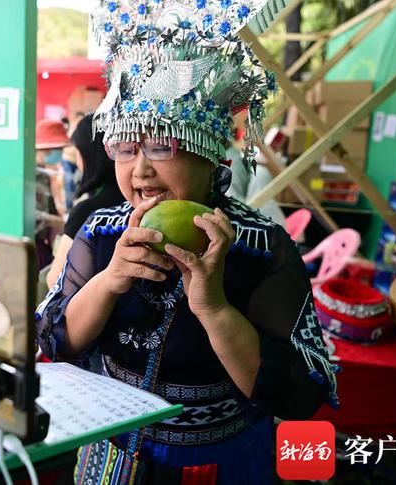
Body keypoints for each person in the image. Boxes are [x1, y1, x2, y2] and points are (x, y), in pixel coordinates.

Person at [37, 2, 338, 483]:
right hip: (111, 457)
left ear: (209, 156)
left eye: (162, 147)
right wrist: (111, 280)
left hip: (221, 462)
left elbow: (297, 394)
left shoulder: (261, 247)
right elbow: (56, 340)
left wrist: (215, 309)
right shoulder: (101, 231)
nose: (140, 170)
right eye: (126, 149)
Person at [46, 114, 125, 288]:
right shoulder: (133, 200)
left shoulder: (88, 211)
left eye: (79, 152)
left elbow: (56, 281)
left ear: (91, 155)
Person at [35, 119, 70, 269]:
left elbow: (49, 206)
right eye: (58, 149)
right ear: (44, 149)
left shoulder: (45, 174)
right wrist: (53, 220)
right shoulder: (30, 175)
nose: (59, 154)